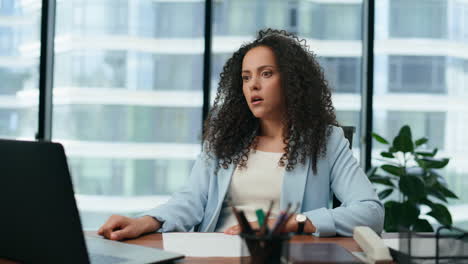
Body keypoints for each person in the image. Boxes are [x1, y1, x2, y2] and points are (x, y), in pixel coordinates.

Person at [98, 29, 384, 241]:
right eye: (246, 77)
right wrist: (145, 221)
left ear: (292, 81)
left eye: (266, 74)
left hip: (277, 255)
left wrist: (293, 222)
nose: (253, 86)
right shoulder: (224, 139)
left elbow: (370, 212)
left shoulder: (327, 141)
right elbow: (191, 199)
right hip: (215, 252)